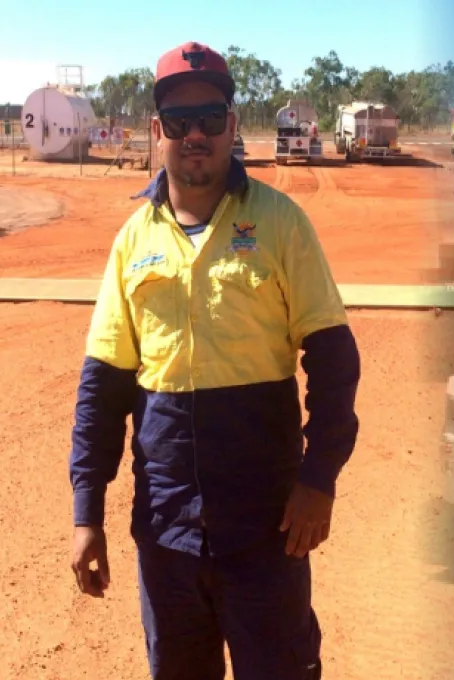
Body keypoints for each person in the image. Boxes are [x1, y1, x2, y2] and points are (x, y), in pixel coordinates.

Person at [67, 41, 360, 680]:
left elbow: (336, 366)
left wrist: (319, 479)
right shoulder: (132, 241)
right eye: (178, 121)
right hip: (166, 534)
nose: (194, 133)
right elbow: (103, 389)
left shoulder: (281, 224)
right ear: (156, 131)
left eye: (209, 116)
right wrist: (87, 512)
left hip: (267, 532)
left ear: (232, 123)